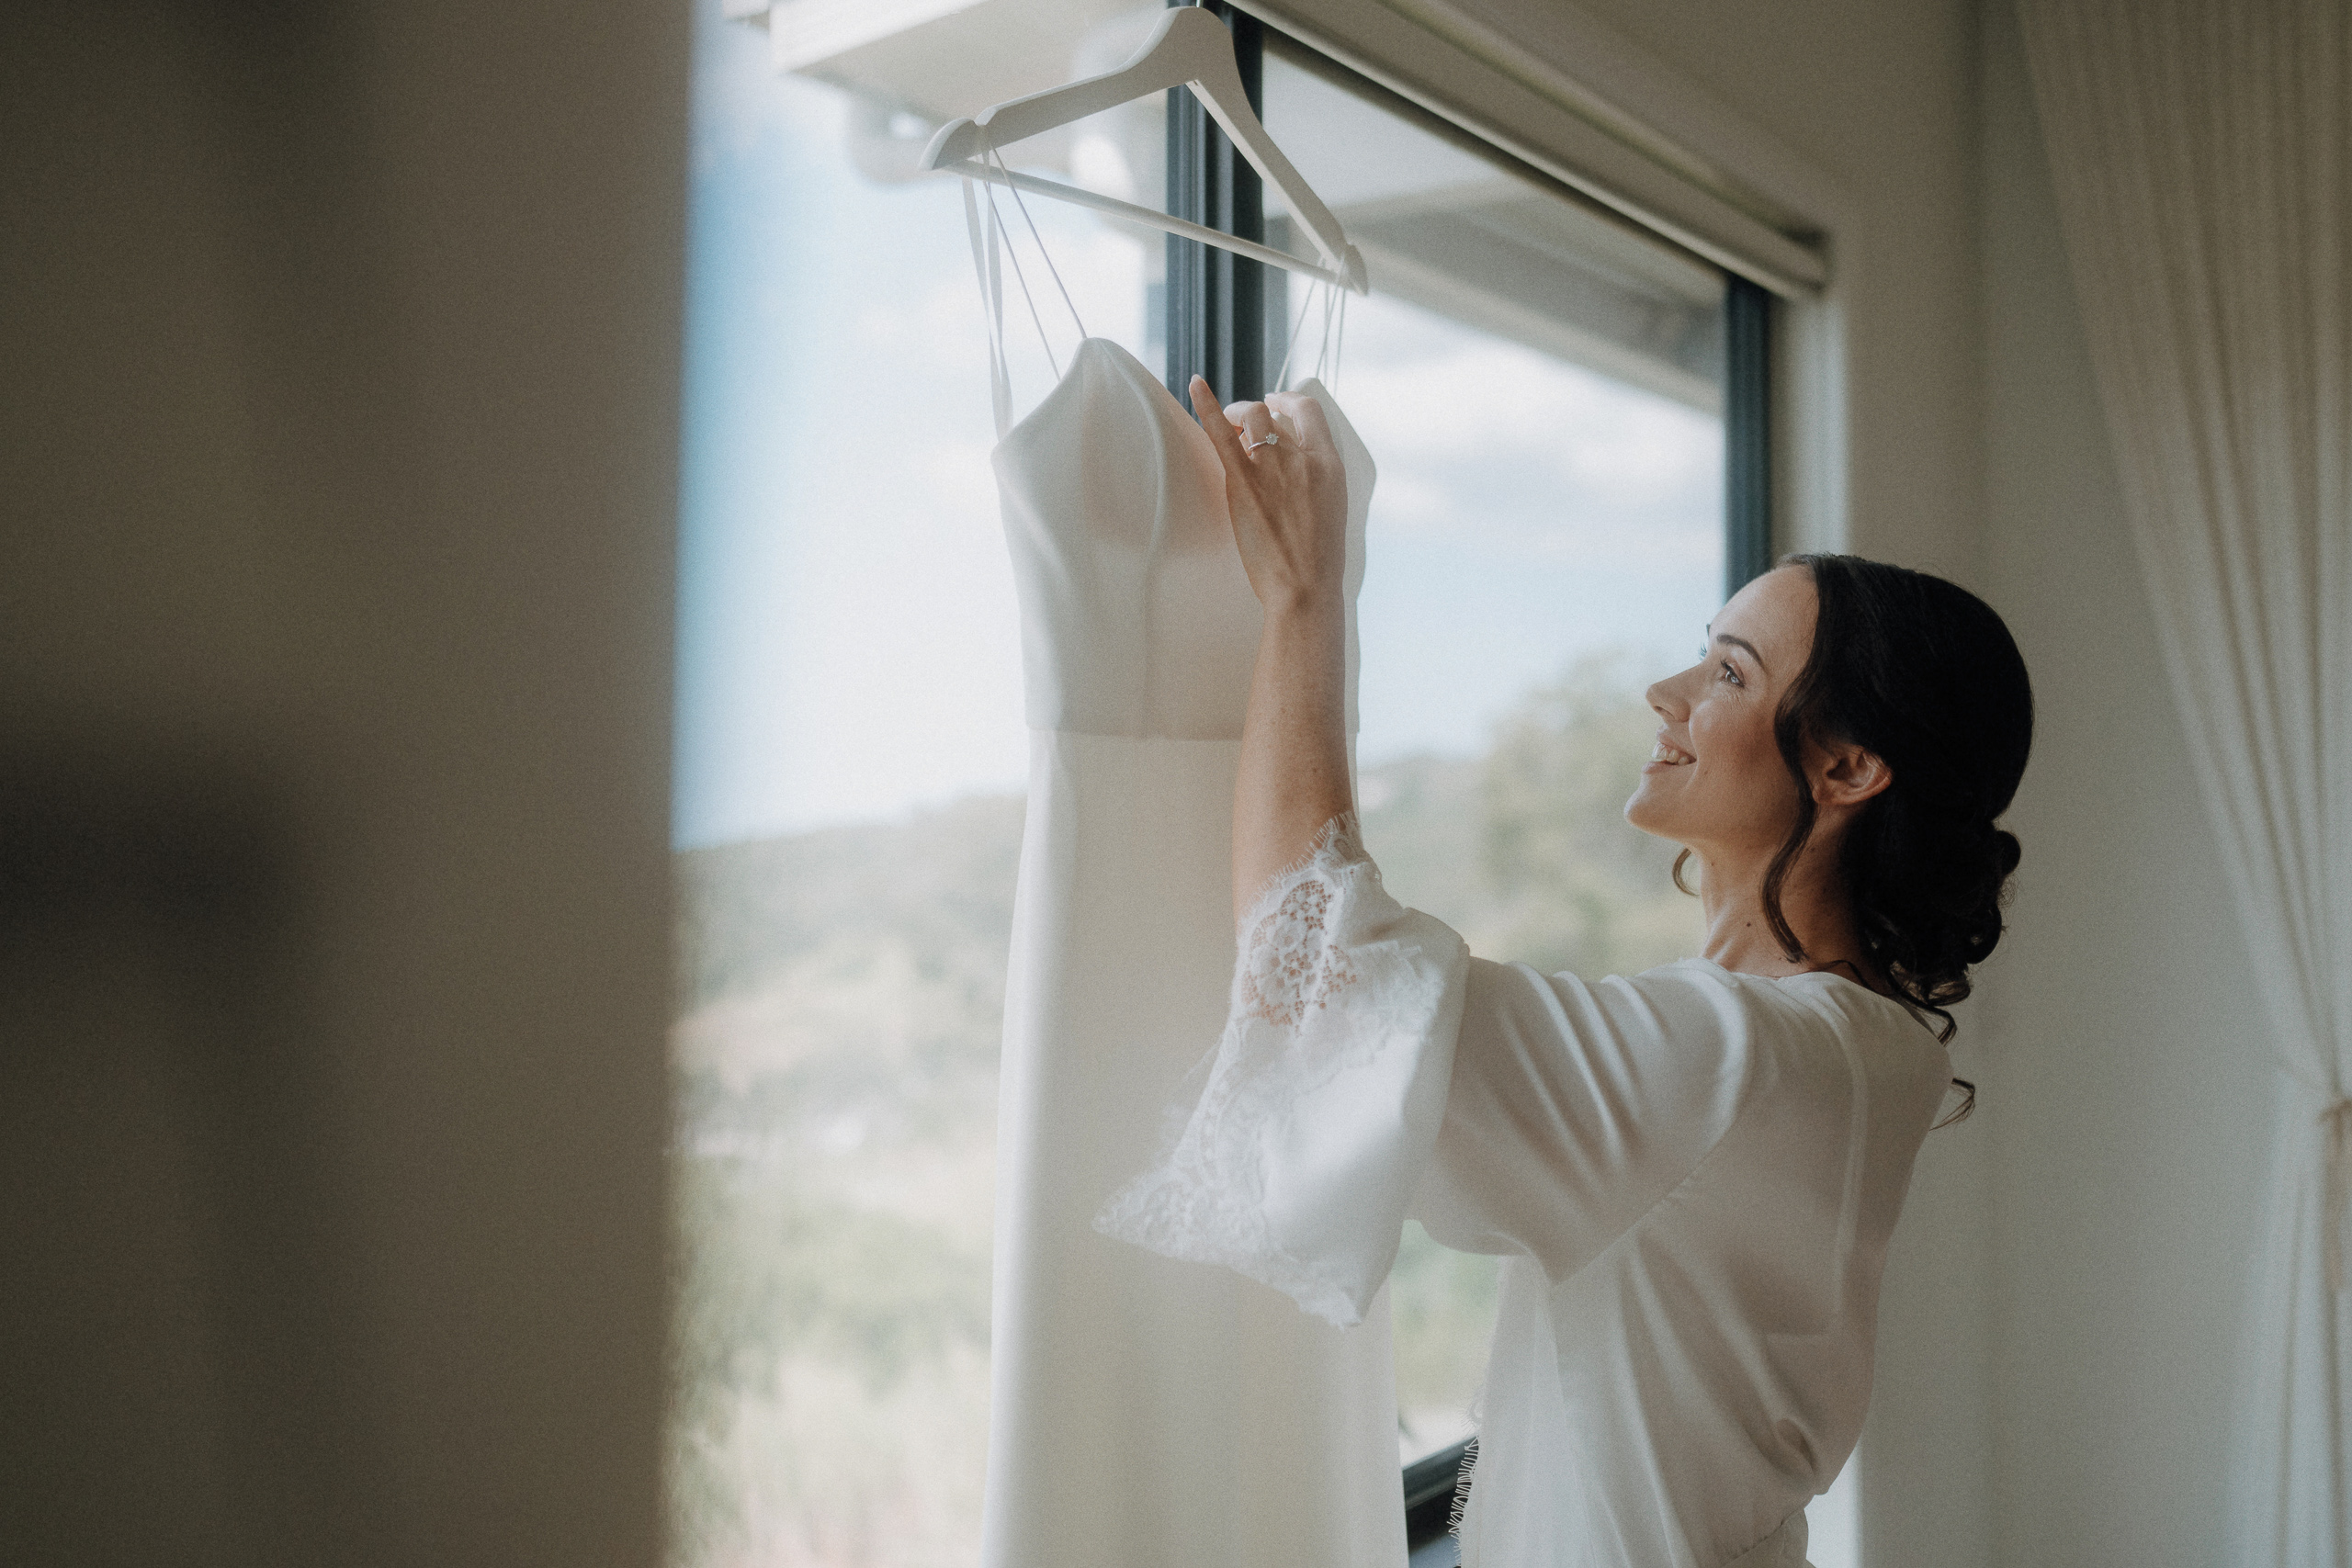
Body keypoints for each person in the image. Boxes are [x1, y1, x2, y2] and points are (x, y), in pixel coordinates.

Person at [1096, 378, 2035, 1568]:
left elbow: (1322, 977)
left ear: (1847, 765)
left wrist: (1306, 601)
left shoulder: (1741, 1065)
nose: (1669, 694)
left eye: (1731, 675)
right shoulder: (1874, 1044)